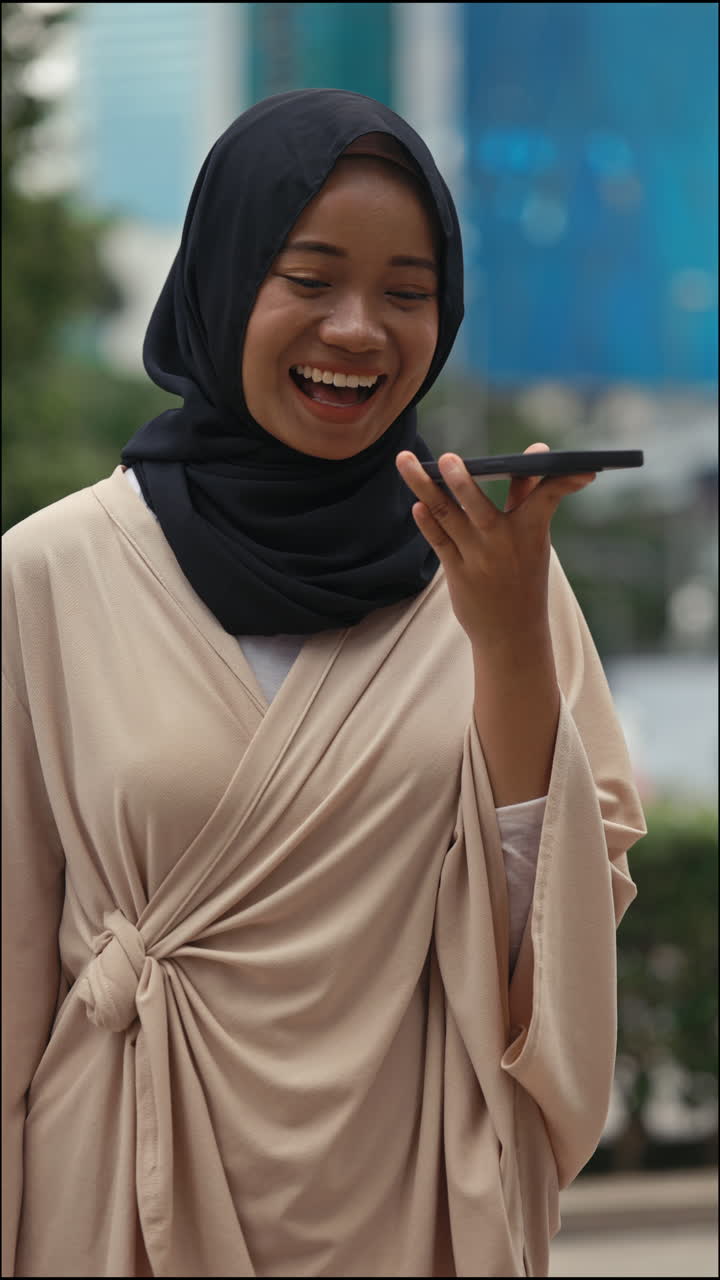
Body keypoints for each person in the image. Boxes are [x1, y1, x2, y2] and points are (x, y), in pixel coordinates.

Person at [2, 88, 646, 1278]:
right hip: (122, 1197)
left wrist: (509, 643)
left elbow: (547, 945)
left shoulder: (494, 563)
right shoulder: (49, 573)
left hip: (409, 1203)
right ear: (220, 281)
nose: (359, 329)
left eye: (408, 292)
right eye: (309, 278)